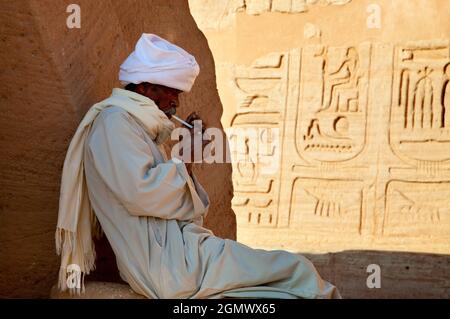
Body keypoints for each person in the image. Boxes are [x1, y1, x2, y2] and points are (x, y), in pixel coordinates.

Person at [55, 33, 341, 299]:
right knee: (296, 269)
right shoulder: (114, 123)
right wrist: (186, 158)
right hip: (168, 265)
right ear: (144, 86)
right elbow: (140, 195)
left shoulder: (137, 126)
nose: (175, 102)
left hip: (180, 253)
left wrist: (185, 159)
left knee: (287, 288)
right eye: (171, 92)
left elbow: (168, 199)